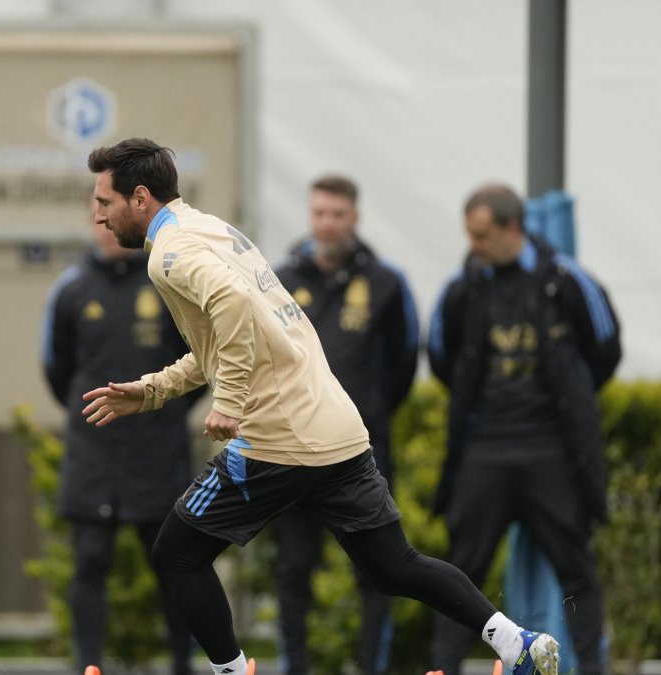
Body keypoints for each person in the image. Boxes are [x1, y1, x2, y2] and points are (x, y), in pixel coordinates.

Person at [79, 137, 560, 675]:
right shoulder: (212, 230)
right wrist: (151, 390)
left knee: (177, 554)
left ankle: (232, 673)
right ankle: (517, 643)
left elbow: (233, 308)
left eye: (105, 202)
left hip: (277, 441)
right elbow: (225, 337)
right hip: (335, 427)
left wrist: (230, 402)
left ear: (140, 198)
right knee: (394, 566)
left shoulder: (170, 254)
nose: (98, 216)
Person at [427, 183, 621, 675]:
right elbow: (440, 353)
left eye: (481, 234)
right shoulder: (464, 286)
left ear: (513, 229)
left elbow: (605, 346)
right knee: (459, 572)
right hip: (485, 448)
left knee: (577, 571)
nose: (471, 245)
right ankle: (442, 668)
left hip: (550, 450)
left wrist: (569, 398)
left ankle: (592, 668)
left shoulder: (563, 278)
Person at [270, 175, 418, 675]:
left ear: (355, 219)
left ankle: (369, 666)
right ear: (309, 217)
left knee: (378, 571)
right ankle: (296, 667)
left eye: (337, 214)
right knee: (293, 569)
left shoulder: (385, 282)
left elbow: (402, 364)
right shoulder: (279, 279)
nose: (327, 224)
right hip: (292, 453)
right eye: (319, 214)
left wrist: (366, 414)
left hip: (360, 457)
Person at [42, 202, 198, 675]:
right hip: (94, 450)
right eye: (97, 221)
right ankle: (89, 666)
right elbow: (57, 369)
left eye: (112, 221)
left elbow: (200, 361)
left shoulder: (166, 279)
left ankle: (182, 663)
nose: (105, 231)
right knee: (89, 559)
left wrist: (159, 413)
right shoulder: (70, 289)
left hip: (158, 449)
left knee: (173, 562)